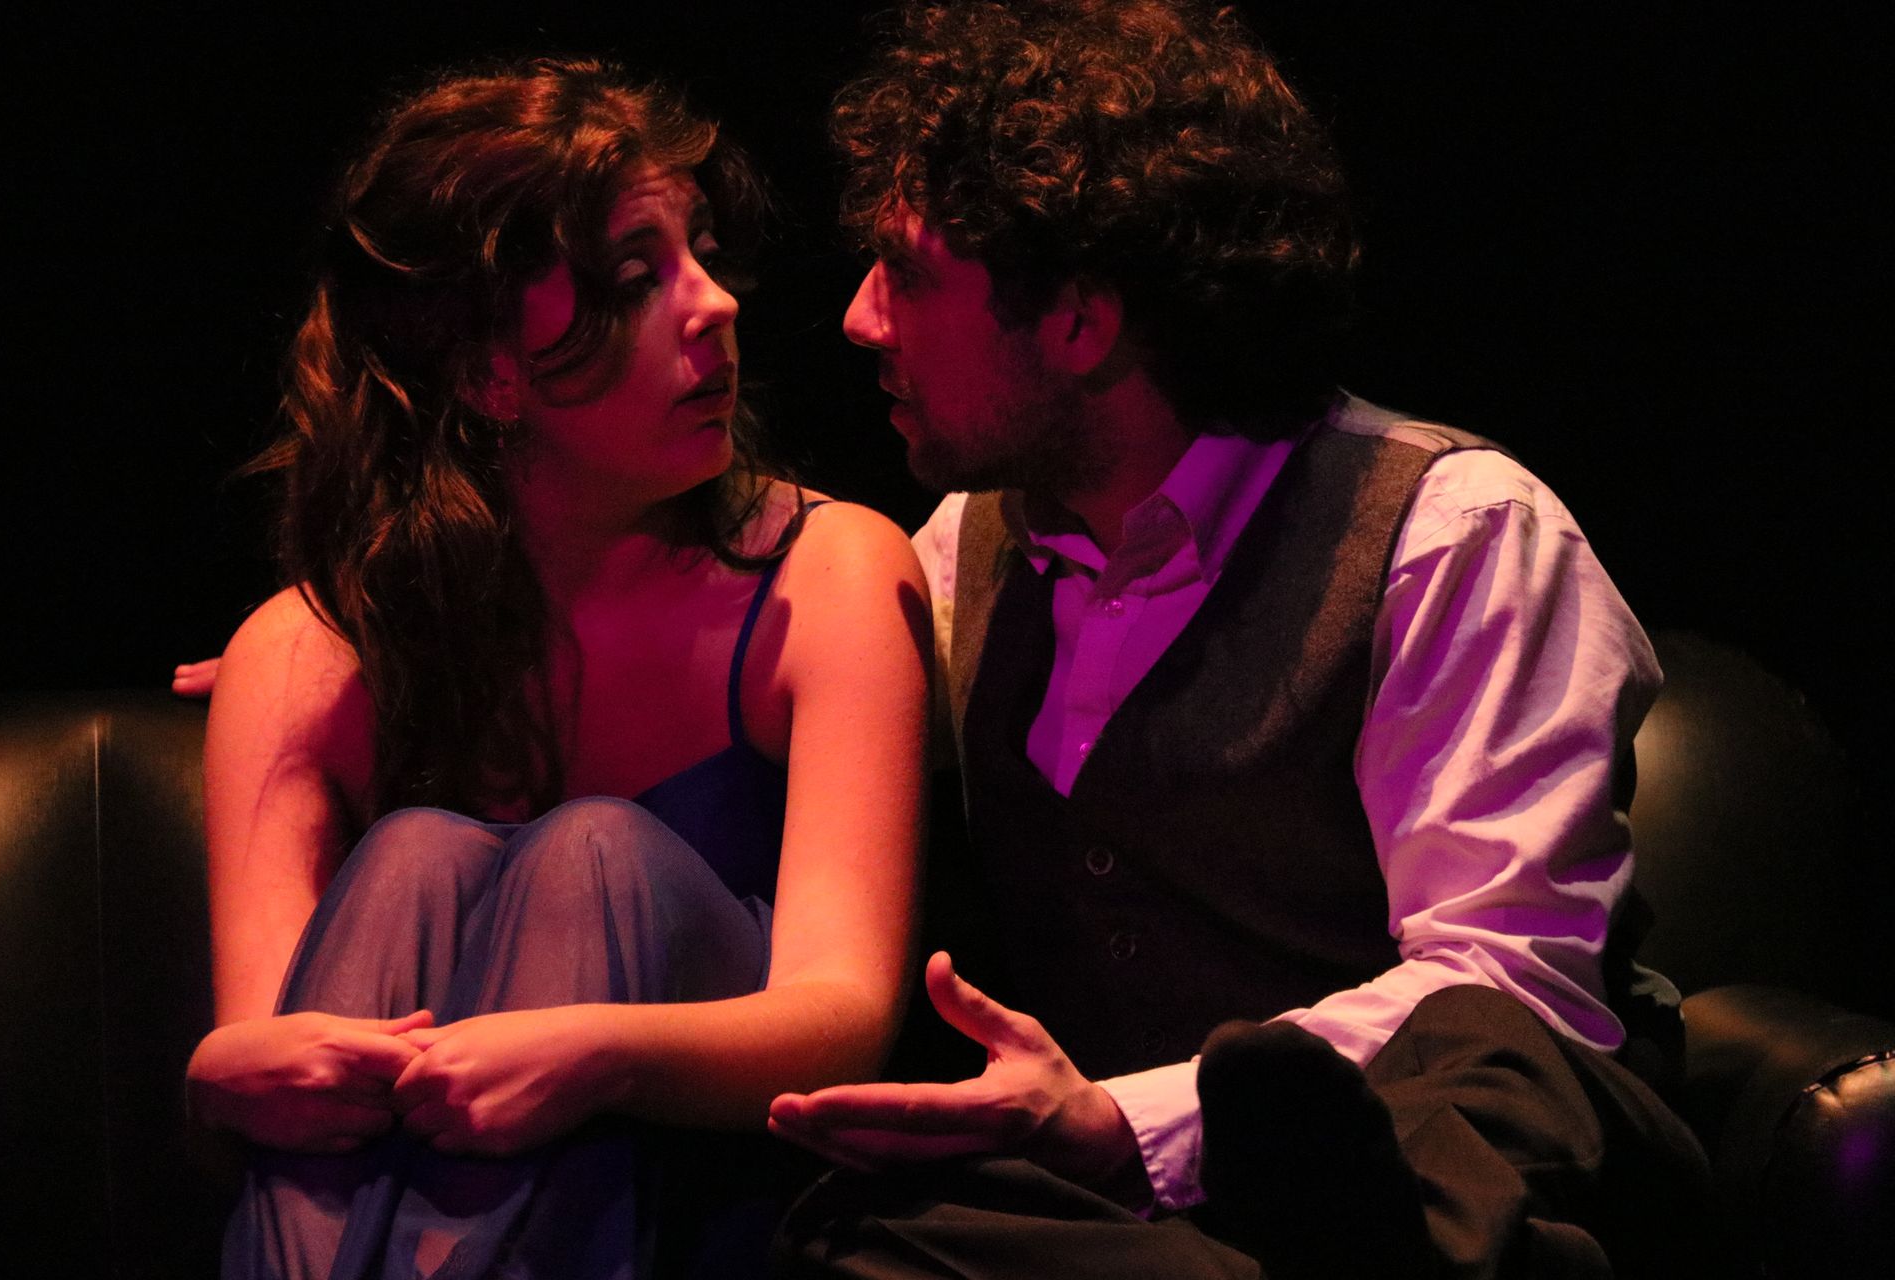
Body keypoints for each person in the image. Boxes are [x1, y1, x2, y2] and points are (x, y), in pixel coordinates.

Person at [767, 2, 1710, 1276]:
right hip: (1154, 1227)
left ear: (1081, 323)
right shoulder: (958, 555)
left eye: (909, 274)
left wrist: (1136, 1124)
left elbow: (1515, 990)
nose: (860, 319)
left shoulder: (1448, 535)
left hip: (1456, 1181)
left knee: (1475, 1074)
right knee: (856, 1233)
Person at [182, 58, 927, 1279]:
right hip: (380, 1228)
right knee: (416, 857)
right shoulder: (307, 652)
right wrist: (229, 1067)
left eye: (702, 254)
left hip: (721, 1214)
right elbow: (272, 1056)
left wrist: (601, 1050)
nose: (716, 305)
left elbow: (841, 1016)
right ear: (491, 372)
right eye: (637, 280)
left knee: (594, 855)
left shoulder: (824, 573)